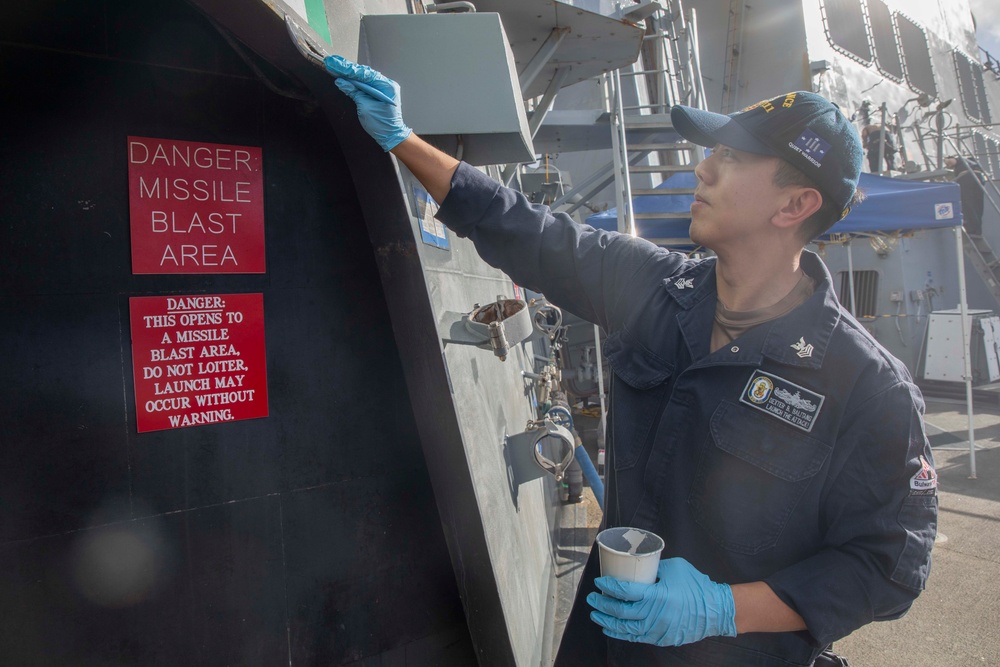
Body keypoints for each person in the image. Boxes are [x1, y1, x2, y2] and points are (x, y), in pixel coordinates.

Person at [324, 57, 938, 666]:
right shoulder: (656, 289)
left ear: (794, 205)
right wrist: (402, 140)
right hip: (604, 642)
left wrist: (721, 607)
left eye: (732, 159)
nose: (704, 168)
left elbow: (887, 567)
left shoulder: (868, 386)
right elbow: (529, 232)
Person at [945, 155, 987, 236]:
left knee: (967, 204)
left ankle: (970, 228)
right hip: (979, 178)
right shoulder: (971, 162)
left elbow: (952, 161)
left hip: (966, 177)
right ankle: (977, 230)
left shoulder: (959, 161)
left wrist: (948, 161)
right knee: (978, 205)